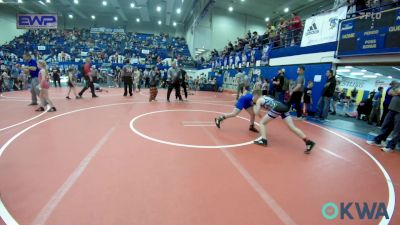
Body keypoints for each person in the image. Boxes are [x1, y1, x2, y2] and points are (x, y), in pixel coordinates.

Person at [367, 82, 400, 152]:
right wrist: (397, 92)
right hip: (392, 108)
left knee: (397, 130)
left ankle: (391, 146)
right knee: (385, 125)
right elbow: (390, 92)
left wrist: (396, 92)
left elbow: (396, 92)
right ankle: (378, 140)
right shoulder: (398, 84)